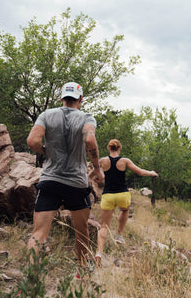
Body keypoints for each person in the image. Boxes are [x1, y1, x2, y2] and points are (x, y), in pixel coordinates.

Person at [26, 82, 104, 266]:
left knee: (39, 233)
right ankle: (82, 267)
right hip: (76, 183)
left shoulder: (46, 115)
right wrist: (97, 168)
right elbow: (90, 139)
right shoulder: (86, 117)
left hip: (50, 180)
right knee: (81, 229)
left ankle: (30, 278)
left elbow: (32, 141)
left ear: (61, 98)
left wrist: (45, 151)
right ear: (81, 99)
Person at [95, 139, 158, 264]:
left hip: (108, 195)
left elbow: (93, 174)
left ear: (108, 148)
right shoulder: (125, 161)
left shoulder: (102, 161)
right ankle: (119, 235)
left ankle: (99, 252)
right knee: (124, 210)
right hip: (122, 194)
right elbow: (140, 172)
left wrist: (97, 177)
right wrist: (151, 173)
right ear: (120, 149)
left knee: (104, 226)